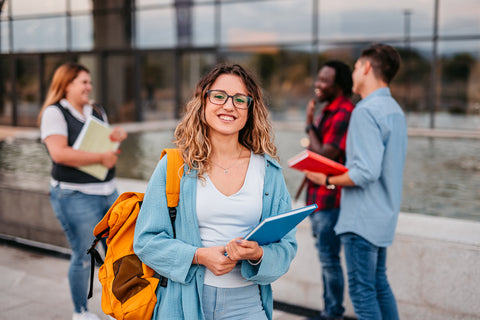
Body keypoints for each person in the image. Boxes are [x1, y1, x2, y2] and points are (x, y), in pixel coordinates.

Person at [133, 64, 297, 320]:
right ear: (203, 102)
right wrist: (198, 256)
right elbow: (145, 242)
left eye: (240, 99)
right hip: (184, 304)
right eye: (219, 96)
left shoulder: (269, 172)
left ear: (250, 110)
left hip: (247, 306)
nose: (229, 106)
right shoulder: (174, 166)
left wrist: (258, 254)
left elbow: (286, 247)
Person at [304, 44, 407, 320]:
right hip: (382, 217)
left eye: (357, 66)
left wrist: (325, 179)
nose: (353, 74)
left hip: (360, 220)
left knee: (362, 294)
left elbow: (365, 172)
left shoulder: (365, 111)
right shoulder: (394, 110)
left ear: (366, 67)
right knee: (379, 286)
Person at [38, 62, 127, 320]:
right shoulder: (54, 113)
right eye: (83, 82)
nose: (89, 86)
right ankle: (81, 313)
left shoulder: (96, 110)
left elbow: (106, 143)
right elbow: (59, 153)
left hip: (109, 191)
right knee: (84, 255)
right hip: (75, 195)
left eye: (89, 81)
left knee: (118, 254)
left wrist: (115, 138)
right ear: (66, 85)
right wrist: (101, 157)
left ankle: (116, 309)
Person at [303, 60, 354, 320]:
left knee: (329, 259)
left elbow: (326, 155)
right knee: (326, 258)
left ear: (339, 85)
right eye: (318, 79)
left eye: (325, 81)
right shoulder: (329, 110)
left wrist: (310, 124)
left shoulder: (344, 112)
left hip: (331, 200)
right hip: (317, 197)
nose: (318, 84)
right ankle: (329, 311)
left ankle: (332, 313)